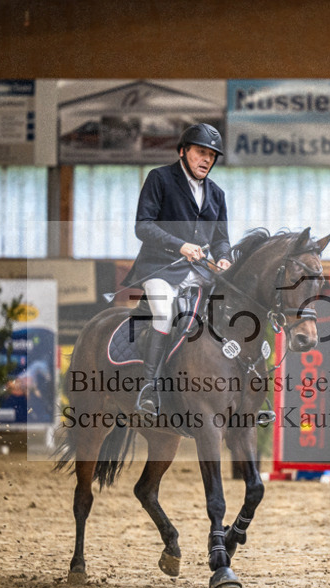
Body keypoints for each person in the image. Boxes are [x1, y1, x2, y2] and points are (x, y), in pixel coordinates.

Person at [120, 123, 232, 415]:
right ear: (183, 151)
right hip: (161, 268)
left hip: (201, 272)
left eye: (212, 155)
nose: (207, 159)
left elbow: (221, 240)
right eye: (201, 152)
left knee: (230, 311)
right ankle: (149, 387)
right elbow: (142, 226)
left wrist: (224, 259)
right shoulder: (160, 179)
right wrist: (180, 246)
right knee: (164, 312)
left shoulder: (217, 194)